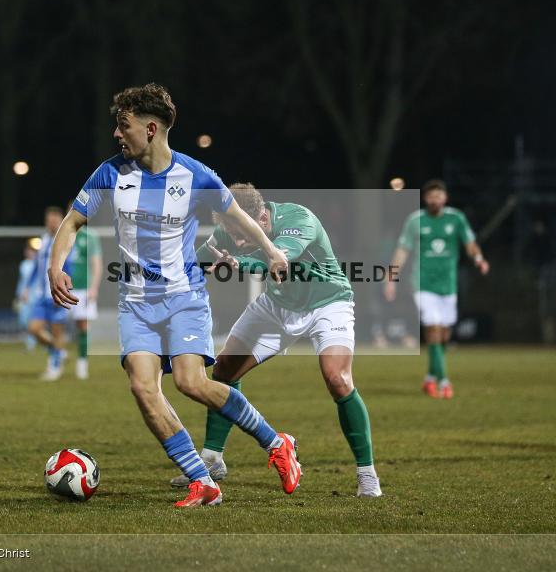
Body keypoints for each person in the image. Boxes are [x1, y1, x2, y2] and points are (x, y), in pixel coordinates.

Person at [47, 83, 300, 508]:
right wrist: (55, 267)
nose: (116, 133)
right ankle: (204, 482)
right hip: (136, 303)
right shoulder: (109, 174)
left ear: (150, 129)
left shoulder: (196, 175)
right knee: (144, 388)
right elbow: (72, 223)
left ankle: (277, 442)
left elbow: (239, 219)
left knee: (191, 382)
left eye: (122, 125)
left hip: (184, 298)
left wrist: (273, 251)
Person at [168, 183, 381, 497]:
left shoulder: (298, 219)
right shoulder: (230, 226)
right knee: (224, 369)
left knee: (337, 378)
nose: (235, 239)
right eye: (230, 230)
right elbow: (197, 259)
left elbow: (279, 259)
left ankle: (367, 474)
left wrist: (242, 263)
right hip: (277, 306)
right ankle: (212, 459)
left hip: (328, 303)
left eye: (240, 232)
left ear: (261, 219)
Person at [384, 179, 489, 398]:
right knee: (432, 329)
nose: (435, 199)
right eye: (431, 196)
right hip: (422, 284)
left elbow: (469, 243)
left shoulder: (456, 218)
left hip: (448, 285)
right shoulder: (416, 221)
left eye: (438, 195)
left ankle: (430, 378)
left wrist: (478, 258)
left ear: (445, 198)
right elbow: (402, 251)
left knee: (443, 335)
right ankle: (444, 382)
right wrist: (390, 279)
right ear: (425, 199)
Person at [27, 207, 71, 380]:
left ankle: (55, 367)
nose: (51, 223)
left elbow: (69, 268)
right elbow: (37, 266)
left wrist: (62, 290)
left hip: (56, 293)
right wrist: (27, 287)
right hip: (41, 294)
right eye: (49, 220)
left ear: (61, 221)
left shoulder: (66, 241)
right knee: (34, 329)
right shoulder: (43, 240)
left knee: (57, 331)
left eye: (55, 220)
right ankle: (58, 352)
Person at [65, 201, 103, 380]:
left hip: (83, 288)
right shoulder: (64, 235)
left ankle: (82, 364)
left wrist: (94, 287)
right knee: (56, 326)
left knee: (82, 326)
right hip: (64, 288)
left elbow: (97, 264)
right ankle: (55, 362)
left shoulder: (90, 236)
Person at [15, 241, 39, 351]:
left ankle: (32, 343)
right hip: (24, 297)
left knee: (35, 321)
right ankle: (32, 341)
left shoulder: (38, 264)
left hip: (35, 296)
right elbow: (22, 281)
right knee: (24, 320)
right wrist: (19, 294)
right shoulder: (23, 264)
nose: (29, 253)